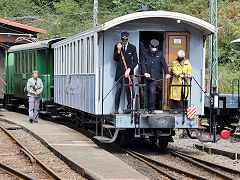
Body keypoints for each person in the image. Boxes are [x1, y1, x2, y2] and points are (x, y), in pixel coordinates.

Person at [140, 39, 171, 114]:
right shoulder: (144, 52)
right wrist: (145, 73)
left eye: (155, 48)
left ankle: (152, 109)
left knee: (152, 92)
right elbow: (142, 63)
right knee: (145, 93)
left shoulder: (159, 53)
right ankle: (146, 109)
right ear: (150, 46)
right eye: (152, 48)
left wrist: (167, 73)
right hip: (145, 77)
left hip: (154, 77)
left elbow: (164, 64)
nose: (154, 50)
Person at [114, 32, 138, 114]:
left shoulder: (132, 48)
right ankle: (116, 109)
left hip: (129, 74)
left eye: (126, 40)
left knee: (129, 91)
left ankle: (129, 108)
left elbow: (135, 61)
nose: (124, 41)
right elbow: (115, 58)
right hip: (120, 74)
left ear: (128, 39)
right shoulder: (117, 46)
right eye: (123, 40)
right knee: (119, 90)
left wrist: (130, 69)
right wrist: (118, 50)